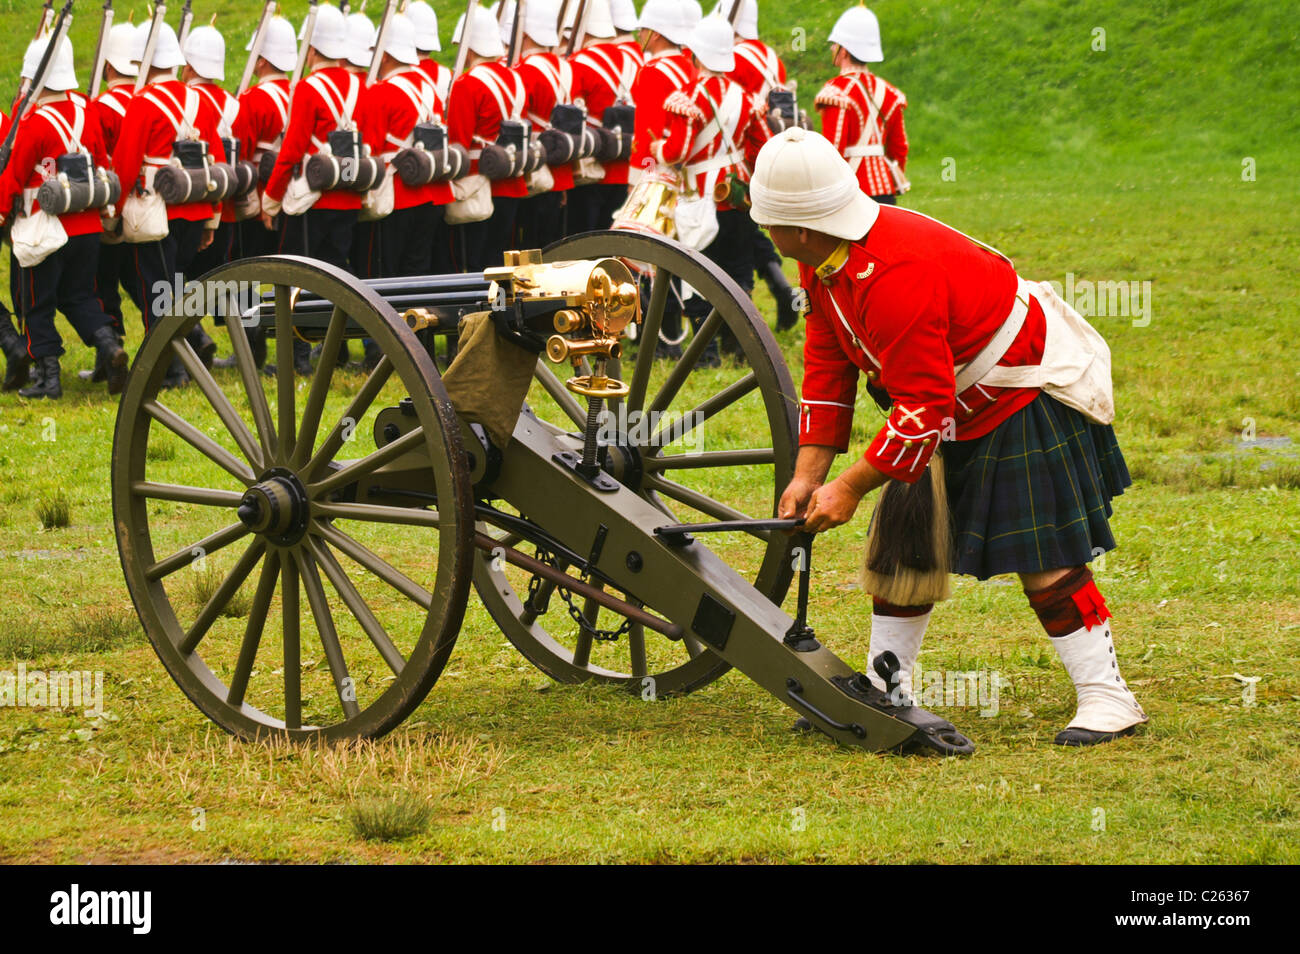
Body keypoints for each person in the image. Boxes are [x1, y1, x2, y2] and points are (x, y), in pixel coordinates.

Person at [750, 128, 1146, 747]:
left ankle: (1108, 697)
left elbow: (923, 406)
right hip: (932, 401)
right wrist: (807, 477)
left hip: (1014, 391)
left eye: (770, 221)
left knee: (1045, 558)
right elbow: (829, 372)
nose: (764, 232)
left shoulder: (895, 274)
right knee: (904, 549)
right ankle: (889, 693)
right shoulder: (823, 260)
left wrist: (850, 486)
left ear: (798, 226)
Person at [0, 34, 127, 398]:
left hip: (45, 228)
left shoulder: (34, 123)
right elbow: (102, 162)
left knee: (34, 303)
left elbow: (15, 176)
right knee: (80, 297)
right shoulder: (87, 111)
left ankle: (48, 378)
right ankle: (109, 346)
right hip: (86, 225)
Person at [649, 14, 770, 366]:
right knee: (738, 273)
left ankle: (707, 353)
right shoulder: (746, 98)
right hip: (738, 197)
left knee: (700, 274)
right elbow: (761, 147)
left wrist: (656, 148)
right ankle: (741, 348)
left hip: (701, 199)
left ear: (697, 54)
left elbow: (677, 152)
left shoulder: (687, 98)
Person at [113, 21, 225, 388]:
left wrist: (113, 211)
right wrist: (211, 219)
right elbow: (217, 162)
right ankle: (191, 351)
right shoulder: (201, 101)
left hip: (157, 212)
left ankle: (172, 370)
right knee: (175, 287)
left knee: (158, 295)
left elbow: (126, 164)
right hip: (195, 210)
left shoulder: (143, 103)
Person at [261, 4, 371, 374]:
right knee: (338, 274)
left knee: (299, 278)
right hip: (350, 193)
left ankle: (298, 358)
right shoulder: (359, 84)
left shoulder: (309, 88)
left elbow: (291, 150)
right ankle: (334, 351)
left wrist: (271, 198)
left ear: (312, 48)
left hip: (313, 199)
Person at [714, 0, 798, 331]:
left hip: (737, 154)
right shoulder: (770, 57)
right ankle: (780, 287)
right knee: (748, 228)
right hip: (762, 152)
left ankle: (740, 327)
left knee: (735, 239)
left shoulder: (733, 60)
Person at [446, 5, 528, 272]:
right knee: (502, 268)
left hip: (477, 187)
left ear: (469, 47)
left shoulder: (466, 84)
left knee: (473, 267)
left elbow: (458, 142)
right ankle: (501, 311)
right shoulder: (515, 78)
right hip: (512, 183)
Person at [87, 22, 146, 358]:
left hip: (112, 205)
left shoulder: (102, 107)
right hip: (148, 208)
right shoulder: (146, 100)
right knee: (138, 280)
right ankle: (193, 334)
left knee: (104, 281)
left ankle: (110, 350)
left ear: (108, 65)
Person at [815, 5, 908, 204]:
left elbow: (834, 150)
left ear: (845, 51)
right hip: (885, 191)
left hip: (850, 193)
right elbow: (899, 147)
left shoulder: (836, 92)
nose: (832, 48)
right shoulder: (889, 92)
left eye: (835, 44)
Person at [568, 0, 641, 235]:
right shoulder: (634, 60)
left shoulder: (577, 64)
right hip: (627, 167)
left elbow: (571, 119)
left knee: (584, 244)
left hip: (592, 169)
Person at [513, 0, 573, 249]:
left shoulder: (523, 71)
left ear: (525, 34)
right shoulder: (566, 67)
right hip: (562, 169)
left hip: (534, 172)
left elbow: (518, 124)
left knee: (530, 248)